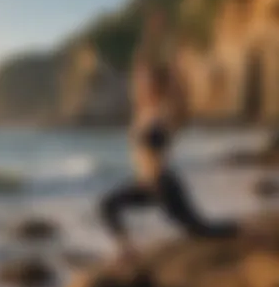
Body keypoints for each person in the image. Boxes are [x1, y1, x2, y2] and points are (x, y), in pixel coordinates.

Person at [99, 14, 242, 262]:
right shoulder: (141, 112)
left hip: (165, 185)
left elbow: (177, 83)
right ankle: (127, 249)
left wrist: (173, 48)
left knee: (202, 231)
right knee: (107, 206)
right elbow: (139, 65)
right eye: (144, 83)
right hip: (144, 184)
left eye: (150, 83)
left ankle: (235, 231)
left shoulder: (168, 114)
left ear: (159, 86)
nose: (144, 85)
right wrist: (149, 35)